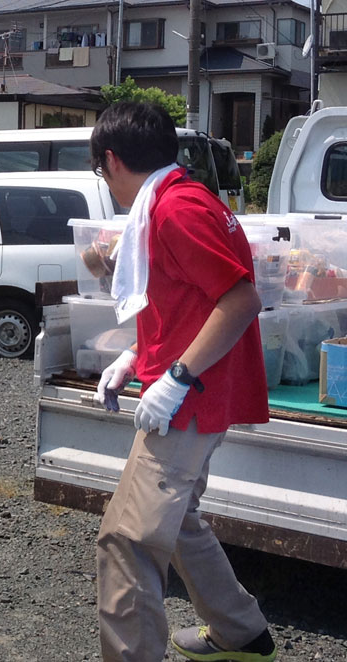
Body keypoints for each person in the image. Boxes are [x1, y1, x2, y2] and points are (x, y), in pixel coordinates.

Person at [90, 102, 276, 662]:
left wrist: (174, 377)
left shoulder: (175, 211)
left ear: (113, 160)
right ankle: (242, 632)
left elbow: (241, 298)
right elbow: (189, 303)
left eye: (102, 171)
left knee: (127, 541)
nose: (106, 183)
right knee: (177, 522)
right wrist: (135, 356)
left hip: (188, 403)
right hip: (198, 393)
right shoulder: (180, 198)